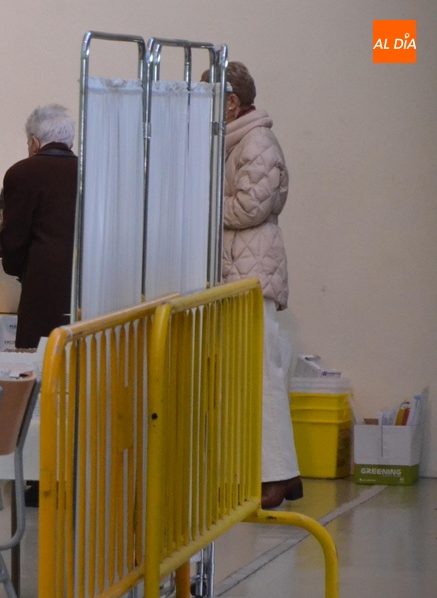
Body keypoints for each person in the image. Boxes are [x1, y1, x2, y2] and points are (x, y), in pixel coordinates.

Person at [203, 62, 300, 509]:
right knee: (255, 376)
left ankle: (275, 476)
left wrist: (198, 203)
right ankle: (281, 473)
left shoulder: (255, 141)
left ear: (231, 102)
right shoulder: (236, 142)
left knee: (261, 378)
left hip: (251, 276)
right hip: (243, 273)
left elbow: (249, 208)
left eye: (209, 99)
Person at [0, 104, 78, 349]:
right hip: (88, 286)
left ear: (34, 141)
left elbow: (13, 241)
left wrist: (21, 271)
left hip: (42, 287)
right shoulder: (91, 173)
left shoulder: (22, 173)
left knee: (37, 361)